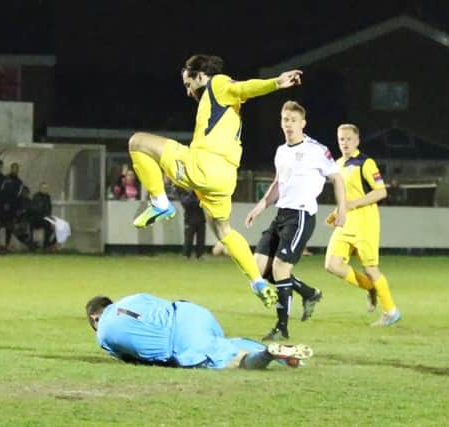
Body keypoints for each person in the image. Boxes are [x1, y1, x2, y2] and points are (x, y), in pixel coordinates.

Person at [127, 54, 303, 308]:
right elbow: (241, 91)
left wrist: (276, 82)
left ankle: (159, 203)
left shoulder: (217, 84)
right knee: (224, 232)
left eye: (189, 84)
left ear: (201, 76)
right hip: (225, 177)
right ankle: (258, 282)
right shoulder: (224, 103)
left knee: (138, 142)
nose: (188, 92)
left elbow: (244, 87)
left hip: (205, 165)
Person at [245, 101, 346, 341]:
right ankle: (309, 293)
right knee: (259, 268)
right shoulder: (281, 151)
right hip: (281, 214)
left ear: (303, 123)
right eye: (284, 120)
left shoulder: (316, 150)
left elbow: (338, 179)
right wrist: (260, 206)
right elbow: (278, 183)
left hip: (301, 216)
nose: (288, 124)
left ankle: (282, 327)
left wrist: (342, 209)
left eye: (292, 120)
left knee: (280, 268)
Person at [85, 293, 313, 369]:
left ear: (95, 317)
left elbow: (132, 358)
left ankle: (268, 354)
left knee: (235, 361)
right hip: (191, 313)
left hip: (180, 343)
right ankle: (282, 356)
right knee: (225, 343)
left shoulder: (102, 334)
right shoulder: (132, 297)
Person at [324, 124, 401, 327]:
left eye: (349, 139)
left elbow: (381, 192)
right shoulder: (337, 164)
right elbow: (344, 196)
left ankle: (391, 311)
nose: (345, 143)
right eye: (341, 139)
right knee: (332, 265)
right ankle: (371, 288)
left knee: (370, 269)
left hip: (365, 221)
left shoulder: (366, 163)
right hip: (344, 222)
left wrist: (352, 204)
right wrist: (336, 212)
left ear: (357, 141)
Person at [178, 188, 206, 260]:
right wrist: (196, 201)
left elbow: (202, 203)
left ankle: (200, 255)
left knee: (201, 239)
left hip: (200, 219)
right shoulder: (184, 193)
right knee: (188, 238)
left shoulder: (199, 194)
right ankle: (186, 255)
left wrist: (197, 201)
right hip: (189, 220)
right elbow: (185, 203)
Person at [0, 163, 24, 251]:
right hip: (4, 206)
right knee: (1, 225)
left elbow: (19, 196)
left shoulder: (20, 182)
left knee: (10, 226)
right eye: (14, 168)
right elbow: (2, 192)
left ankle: (7, 245)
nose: (15, 170)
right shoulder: (5, 179)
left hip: (13, 207)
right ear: (11, 169)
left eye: (16, 169)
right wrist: (4, 203)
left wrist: (19, 208)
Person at [31, 182, 56, 249]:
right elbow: (36, 210)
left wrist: (52, 220)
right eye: (43, 188)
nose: (44, 189)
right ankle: (46, 245)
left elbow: (49, 210)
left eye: (46, 188)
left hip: (46, 218)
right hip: (37, 219)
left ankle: (48, 244)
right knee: (48, 225)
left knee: (57, 226)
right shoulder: (36, 197)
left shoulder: (48, 197)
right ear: (39, 188)